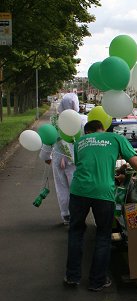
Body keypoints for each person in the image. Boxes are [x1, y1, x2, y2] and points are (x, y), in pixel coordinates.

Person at [65, 119, 137, 291]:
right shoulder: (115, 138)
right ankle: (97, 281)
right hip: (103, 193)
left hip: (79, 190)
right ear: (102, 129)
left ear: (88, 132)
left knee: (76, 232)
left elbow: (87, 165)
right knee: (103, 236)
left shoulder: (80, 141)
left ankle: (72, 277)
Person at [40, 93, 87, 224]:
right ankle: (78, 215)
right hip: (79, 160)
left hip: (58, 159)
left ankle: (66, 215)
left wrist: (47, 158)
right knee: (78, 189)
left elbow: (48, 141)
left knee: (62, 188)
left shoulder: (55, 121)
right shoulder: (83, 120)